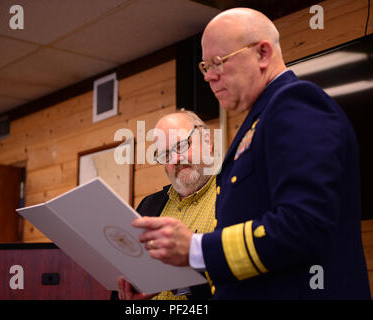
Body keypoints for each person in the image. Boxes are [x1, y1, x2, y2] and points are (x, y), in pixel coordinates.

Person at [131, 8, 371, 299]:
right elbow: (249, 267)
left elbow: (304, 225)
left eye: (218, 62)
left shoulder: (295, 103)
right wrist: (162, 290)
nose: (209, 77)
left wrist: (195, 248)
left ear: (263, 54)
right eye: (205, 67)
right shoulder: (259, 120)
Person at [116, 110, 217, 300]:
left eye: (182, 145)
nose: (176, 159)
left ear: (207, 142)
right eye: (165, 154)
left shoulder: (233, 195)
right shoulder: (148, 206)